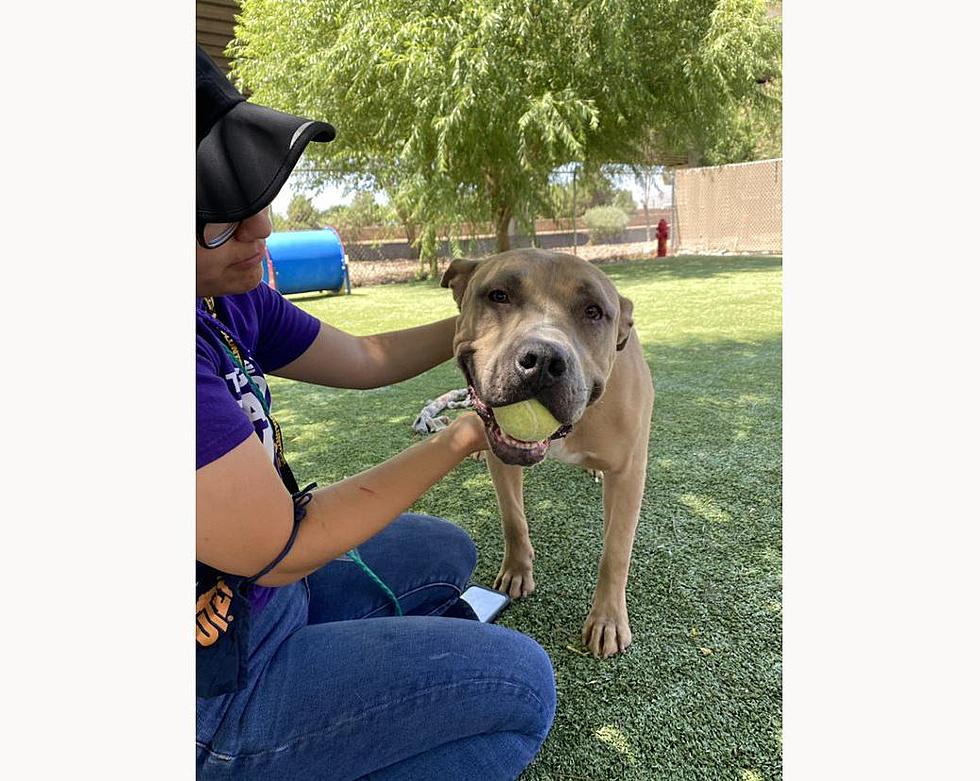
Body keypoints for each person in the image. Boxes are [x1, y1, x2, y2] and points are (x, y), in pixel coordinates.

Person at [194, 47, 556, 780]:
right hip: (214, 687)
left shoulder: (224, 300)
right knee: (522, 687)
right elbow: (285, 541)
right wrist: (465, 433)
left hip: (263, 600)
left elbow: (364, 358)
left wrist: (488, 324)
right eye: (221, 221)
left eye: (254, 198)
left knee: (446, 552)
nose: (260, 227)